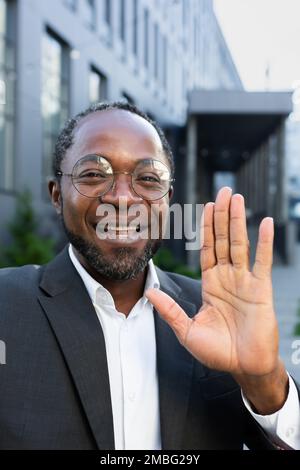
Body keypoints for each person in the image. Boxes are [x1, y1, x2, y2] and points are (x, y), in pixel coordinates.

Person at [0, 101, 299, 450]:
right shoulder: (6, 307)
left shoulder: (215, 315)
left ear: (168, 199)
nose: (123, 198)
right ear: (56, 195)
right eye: (94, 174)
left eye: (147, 178)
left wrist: (264, 382)